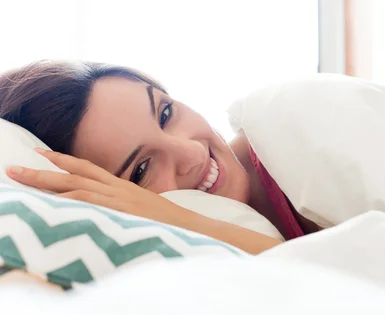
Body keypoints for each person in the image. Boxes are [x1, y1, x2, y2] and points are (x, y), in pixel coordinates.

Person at [0, 61, 319, 255]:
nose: (192, 153)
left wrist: (189, 222)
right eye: (140, 170)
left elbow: (358, 293)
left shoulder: (308, 129)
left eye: (165, 113)